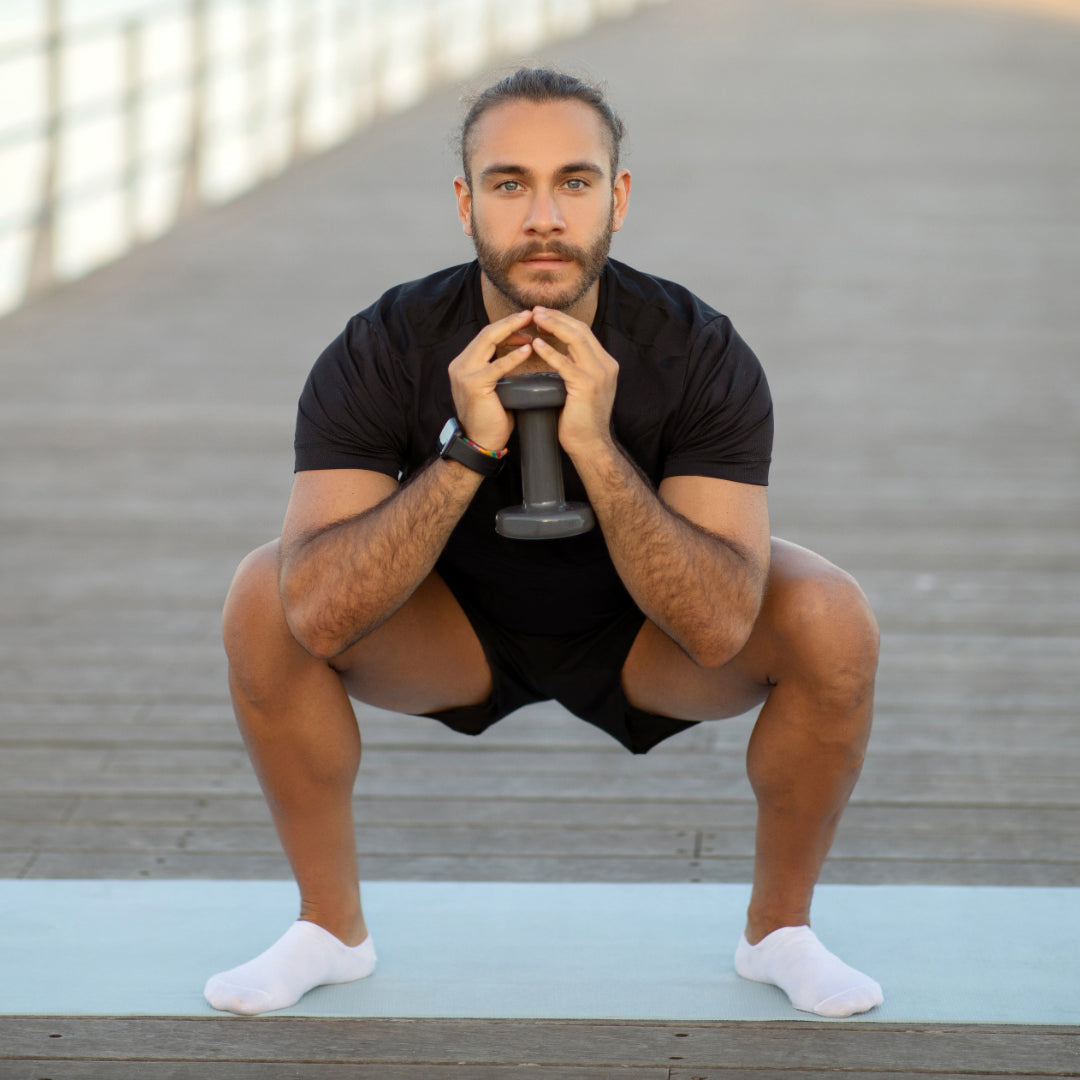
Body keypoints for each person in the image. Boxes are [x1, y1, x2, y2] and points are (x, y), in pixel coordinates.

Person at [204, 68, 883, 1019]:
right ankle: (328, 930)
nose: (543, 216)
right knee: (260, 592)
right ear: (465, 201)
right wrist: (468, 447)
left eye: (574, 180)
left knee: (829, 615)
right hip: (452, 629)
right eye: (509, 183)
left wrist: (595, 448)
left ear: (619, 195)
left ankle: (781, 934)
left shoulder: (698, 349)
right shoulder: (384, 345)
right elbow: (315, 613)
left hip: (647, 635)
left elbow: (722, 625)